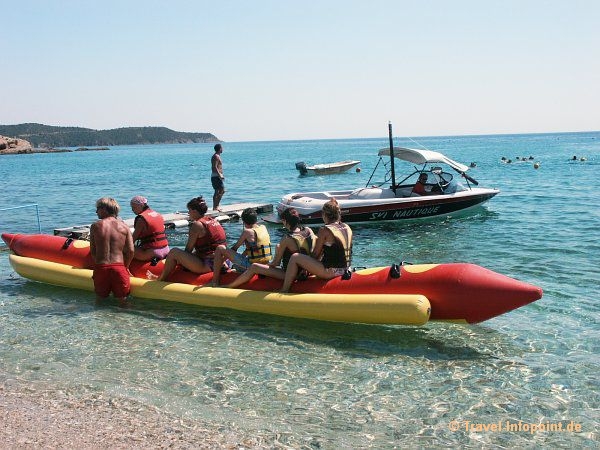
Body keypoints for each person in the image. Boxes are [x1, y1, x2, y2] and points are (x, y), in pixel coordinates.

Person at [224, 208, 315, 289]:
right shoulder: (308, 230)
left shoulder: (287, 239)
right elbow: (312, 251)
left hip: (289, 274)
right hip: (305, 271)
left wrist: (266, 267)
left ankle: (230, 286)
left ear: (285, 221)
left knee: (255, 267)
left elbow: (276, 263)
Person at [279, 198, 352, 293]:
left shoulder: (324, 230)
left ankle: (284, 290)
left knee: (295, 257)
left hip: (331, 272)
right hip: (347, 269)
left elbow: (315, 254)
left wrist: (306, 267)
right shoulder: (347, 227)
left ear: (324, 215)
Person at [150, 196, 227, 281]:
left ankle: (160, 279)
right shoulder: (212, 220)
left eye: (189, 211)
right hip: (223, 261)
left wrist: (179, 261)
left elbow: (188, 250)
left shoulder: (197, 225)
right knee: (192, 254)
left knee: (174, 252)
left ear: (194, 211)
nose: (188, 213)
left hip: (209, 264)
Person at [209, 208, 272, 286]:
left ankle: (214, 281)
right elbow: (253, 250)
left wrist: (222, 261)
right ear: (256, 219)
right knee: (235, 265)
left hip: (252, 266)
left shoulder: (247, 232)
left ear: (244, 222)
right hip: (265, 265)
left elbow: (235, 248)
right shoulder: (263, 227)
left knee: (220, 248)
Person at [90, 197, 134, 307]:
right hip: (119, 267)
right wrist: (126, 267)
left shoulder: (95, 226)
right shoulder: (124, 227)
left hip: (101, 267)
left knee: (99, 301)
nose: (96, 212)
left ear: (104, 209)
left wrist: (99, 265)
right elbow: (131, 251)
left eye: (98, 208)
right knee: (123, 302)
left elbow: (93, 251)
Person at [130, 195, 170, 262]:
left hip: (152, 253)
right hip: (166, 249)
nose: (132, 210)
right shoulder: (158, 214)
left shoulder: (141, 219)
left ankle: (126, 269)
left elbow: (132, 241)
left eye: (134, 207)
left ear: (141, 205)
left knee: (124, 248)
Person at [211, 143, 225, 211]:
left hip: (216, 176)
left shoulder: (217, 156)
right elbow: (215, 167)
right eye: (222, 148)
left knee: (217, 191)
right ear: (219, 149)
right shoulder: (216, 156)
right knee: (222, 190)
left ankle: (215, 207)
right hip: (216, 176)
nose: (223, 149)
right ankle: (216, 206)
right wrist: (220, 175)